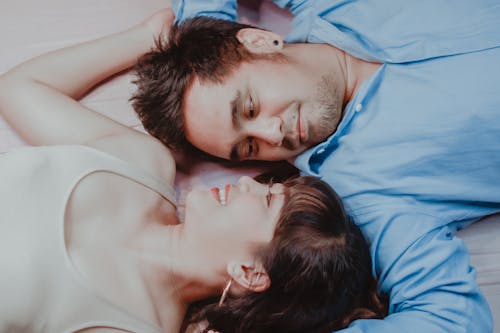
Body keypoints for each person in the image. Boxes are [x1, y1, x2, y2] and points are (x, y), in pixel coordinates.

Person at [0, 7, 387, 333]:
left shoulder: (131, 325)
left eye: (269, 200)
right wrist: (150, 40)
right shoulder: (142, 164)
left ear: (251, 273)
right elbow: (19, 89)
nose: (248, 184)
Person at [130, 1, 500, 332]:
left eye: (250, 108)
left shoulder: (335, 8)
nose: (273, 134)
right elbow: (452, 320)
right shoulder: (365, 194)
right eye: (248, 146)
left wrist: (187, 29)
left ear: (260, 42)